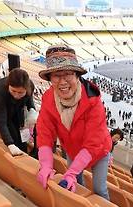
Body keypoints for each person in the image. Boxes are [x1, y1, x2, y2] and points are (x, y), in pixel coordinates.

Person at [35, 45, 111, 199]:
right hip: (72, 149)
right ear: (50, 79)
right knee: (77, 184)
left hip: (99, 150)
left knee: (99, 189)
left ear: (77, 76)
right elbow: (44, 133)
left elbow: (93, 143)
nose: (62, 81)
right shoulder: (48, 98)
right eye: (56, 75)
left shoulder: (93, 101)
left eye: (68, 74)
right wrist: (46, 165)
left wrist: (71, 172)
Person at [0, 67, 35, 156]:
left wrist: (31, 108)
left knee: (20, 127)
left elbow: (29, 97)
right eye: (14, 91)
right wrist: (10, 144)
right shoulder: (0, 91)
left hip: (17, 105)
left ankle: (24, 151)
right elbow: (1, 122)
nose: (16, 95)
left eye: (20, 92)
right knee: (11, 131)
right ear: (9, 86)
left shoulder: (30, 85)